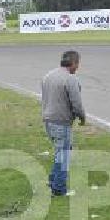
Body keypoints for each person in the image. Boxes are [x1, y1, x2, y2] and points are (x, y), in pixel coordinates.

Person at [40, 50, 86, 197]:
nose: (77, 67)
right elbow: (76, 103)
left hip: (48, 120)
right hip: (61, 121)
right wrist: (82, 117)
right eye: (77, 63)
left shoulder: (48, 75)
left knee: (59, 152)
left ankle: (53, 180)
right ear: (73, 63)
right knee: (64, 155)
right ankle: (59, 189)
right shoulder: (70, 79)